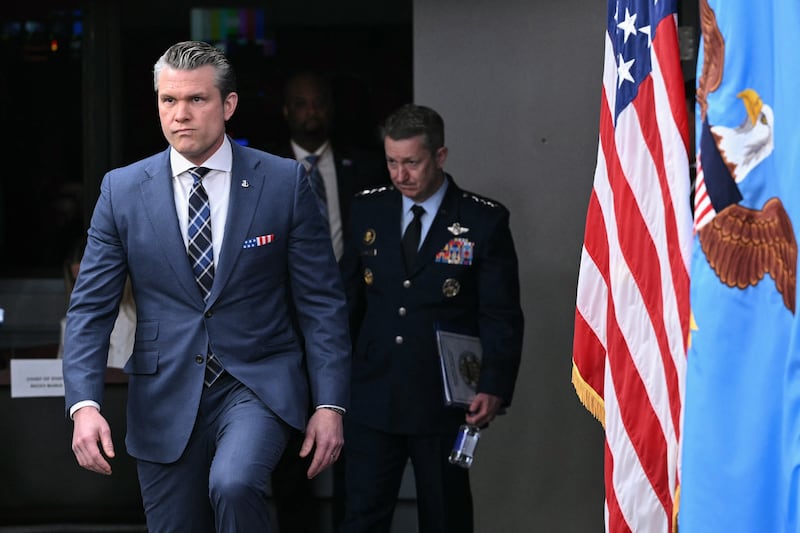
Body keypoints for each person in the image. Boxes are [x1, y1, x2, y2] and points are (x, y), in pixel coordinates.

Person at [62, 40, 351, 533]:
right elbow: (90, 309)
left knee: (234, 483)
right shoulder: (122, 190)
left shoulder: (283, 182)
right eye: (168, 100)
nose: (180, 114)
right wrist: (83, 405)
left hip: (256, 380)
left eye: (196, 99)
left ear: (228, 104)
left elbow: (322, 303)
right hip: (164, 391)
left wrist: (329, 404)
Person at [339, 104, 524, 532]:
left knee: (445, 515)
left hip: (441, 395)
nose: (400, 174)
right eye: (391, 162)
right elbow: (346, 299)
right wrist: (331, 380)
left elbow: (500, 313)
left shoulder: (482, 219)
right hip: (373, 390)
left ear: (439, 156)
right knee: (361, 515)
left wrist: (494, 384)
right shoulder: (368, 208)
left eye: (411, 162)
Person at [270, 69, 388, 533]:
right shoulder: (262, 170)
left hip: (354, 326)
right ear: (286, 111)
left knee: (355, 453)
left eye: (318, 102)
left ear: (331, 108)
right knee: (290, 454)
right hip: (283, 331)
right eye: (301, 103)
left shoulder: (367, 168)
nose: (311, 111)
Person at [57, 236, 136, 369]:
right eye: (76, 282)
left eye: (89, 280)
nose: (82, 290)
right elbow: (60, 374)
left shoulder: (137, 320)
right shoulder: (68, 324)